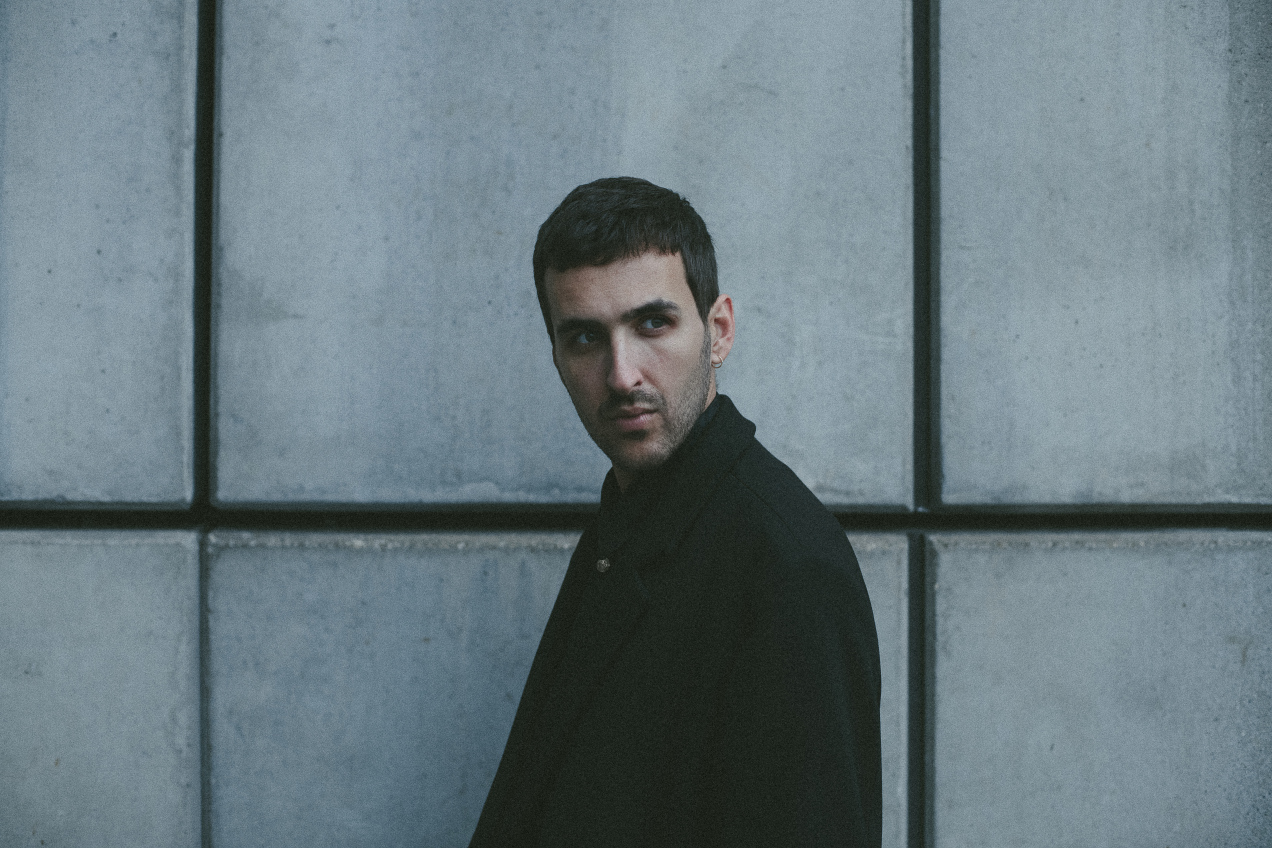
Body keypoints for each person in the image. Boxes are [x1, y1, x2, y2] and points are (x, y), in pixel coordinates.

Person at [469, 177, 881, 847]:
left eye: (652, 324)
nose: (622, 374)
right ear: (556, 356)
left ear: (718, 332)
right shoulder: (629, 519)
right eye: (584, 338)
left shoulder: (785, 562)